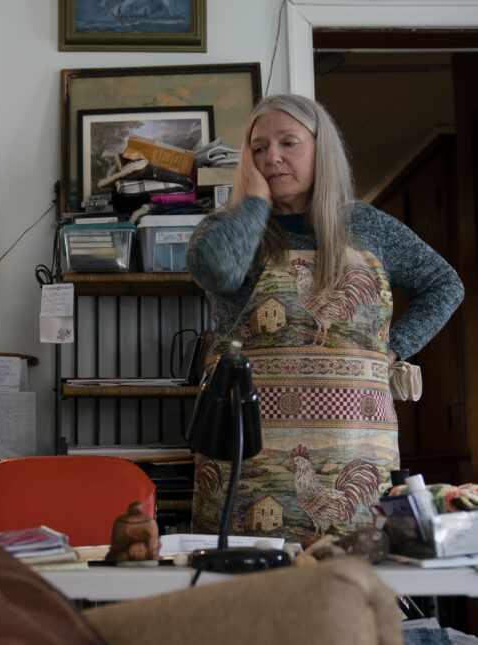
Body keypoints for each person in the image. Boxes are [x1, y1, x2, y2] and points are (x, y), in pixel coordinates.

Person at [186, 94, 464, 542]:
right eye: (258, 147)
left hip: (354, 451)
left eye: (288, 142)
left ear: (321, 150)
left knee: (350, 590)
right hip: (248, 455)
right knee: (247, 595)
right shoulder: (230, 228)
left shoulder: (369, 227)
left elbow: (445, 285)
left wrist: (393, 347)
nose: (271, 156)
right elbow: (216, 269)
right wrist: (254, 203)